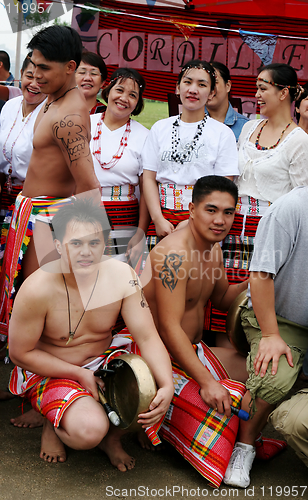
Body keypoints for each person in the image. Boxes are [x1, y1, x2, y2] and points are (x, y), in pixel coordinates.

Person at [8, 197, 174, 467]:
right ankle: (54, 420)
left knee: (157, 384)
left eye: (94, 243)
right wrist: (77, 374)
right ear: (59, 246)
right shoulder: (37, 288)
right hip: (50, 369)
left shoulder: (122, 275)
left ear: (105, 245)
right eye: (76, 243)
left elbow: (147, 336)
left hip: (103, 359)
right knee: (88, 431)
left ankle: (114, 438)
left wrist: (166, 384)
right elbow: (19, 353)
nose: (86, 252)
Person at [141, 176, 248, 487]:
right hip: (156, 357)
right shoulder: (172, 255)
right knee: (224, 417)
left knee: (262, 377)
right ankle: (151, 422)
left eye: (228, 212)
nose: (220, 220)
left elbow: (222, 300)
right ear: (191, 209)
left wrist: (255, 281)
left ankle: (169, 422)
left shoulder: (213, 249)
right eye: (211, 210)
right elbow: (168, 326)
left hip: (193, 352)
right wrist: (207, 383)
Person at [0, 25, 101, 340]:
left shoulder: (69, 116)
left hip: (47, 220)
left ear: (70, 67)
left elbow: (88, 184)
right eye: (33, 65)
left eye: (45, 68)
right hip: (31, 214)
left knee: (37, 302)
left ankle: (39, 383)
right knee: (23, 298)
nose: (36, 75)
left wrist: (92, 248)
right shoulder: (52, 100)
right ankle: (24, 379)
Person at [210, 63, 308, 337]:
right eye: (257, 88)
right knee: (221, 308)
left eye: (263, 88)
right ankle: (221, 372)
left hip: (268, 234)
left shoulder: (299, 141)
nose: (257, 95)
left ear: (284, 92)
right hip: (231, 230)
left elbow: (301, 198)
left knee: (253, 305)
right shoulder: (249, 128)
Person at [223, 185, 308, 488]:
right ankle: (244, 445)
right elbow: (260, 276)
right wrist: (271, 334)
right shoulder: (289, 209)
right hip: (277, 317)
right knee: (273, 374)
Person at [142, 59, 238, 250]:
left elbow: (223, 185)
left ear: (211, 93)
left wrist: (192, 222)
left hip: (203, 221)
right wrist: (158, 218)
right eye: (187, 82)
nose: (193, 90)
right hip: (162, 221)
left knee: (196, 276)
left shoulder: (222, 133)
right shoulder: (160, 128)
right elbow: (149, 177)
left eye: (202, 84)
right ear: (177, 87)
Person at [90, 67, 149, 267]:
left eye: (132, 95)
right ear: (108, 91)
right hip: (84, 212)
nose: (124, 98)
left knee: (116, 280)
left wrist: (140, 234)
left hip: (125, 218)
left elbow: (146, 188)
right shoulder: (84, 124)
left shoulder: (145, 136)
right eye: (120, 90)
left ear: (138, 102)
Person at [0, 53, 47, 225]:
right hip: (5, 193)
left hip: (33, 199)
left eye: (41, 80)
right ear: (20, 74)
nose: (34, 85)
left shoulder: (50, 111)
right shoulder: (10, 106)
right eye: (29, 76)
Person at [205, 61, 249, 141]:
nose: (209, 88)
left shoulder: (246, 127)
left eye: (214, 82)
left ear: (228, 86)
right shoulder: (190, 123)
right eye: (203, 83)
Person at [75, 50, 107, 115]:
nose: (87, 78)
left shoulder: (108, 115)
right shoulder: (57, 108)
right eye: (82, 72)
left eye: (94, 73)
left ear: (102, 82)